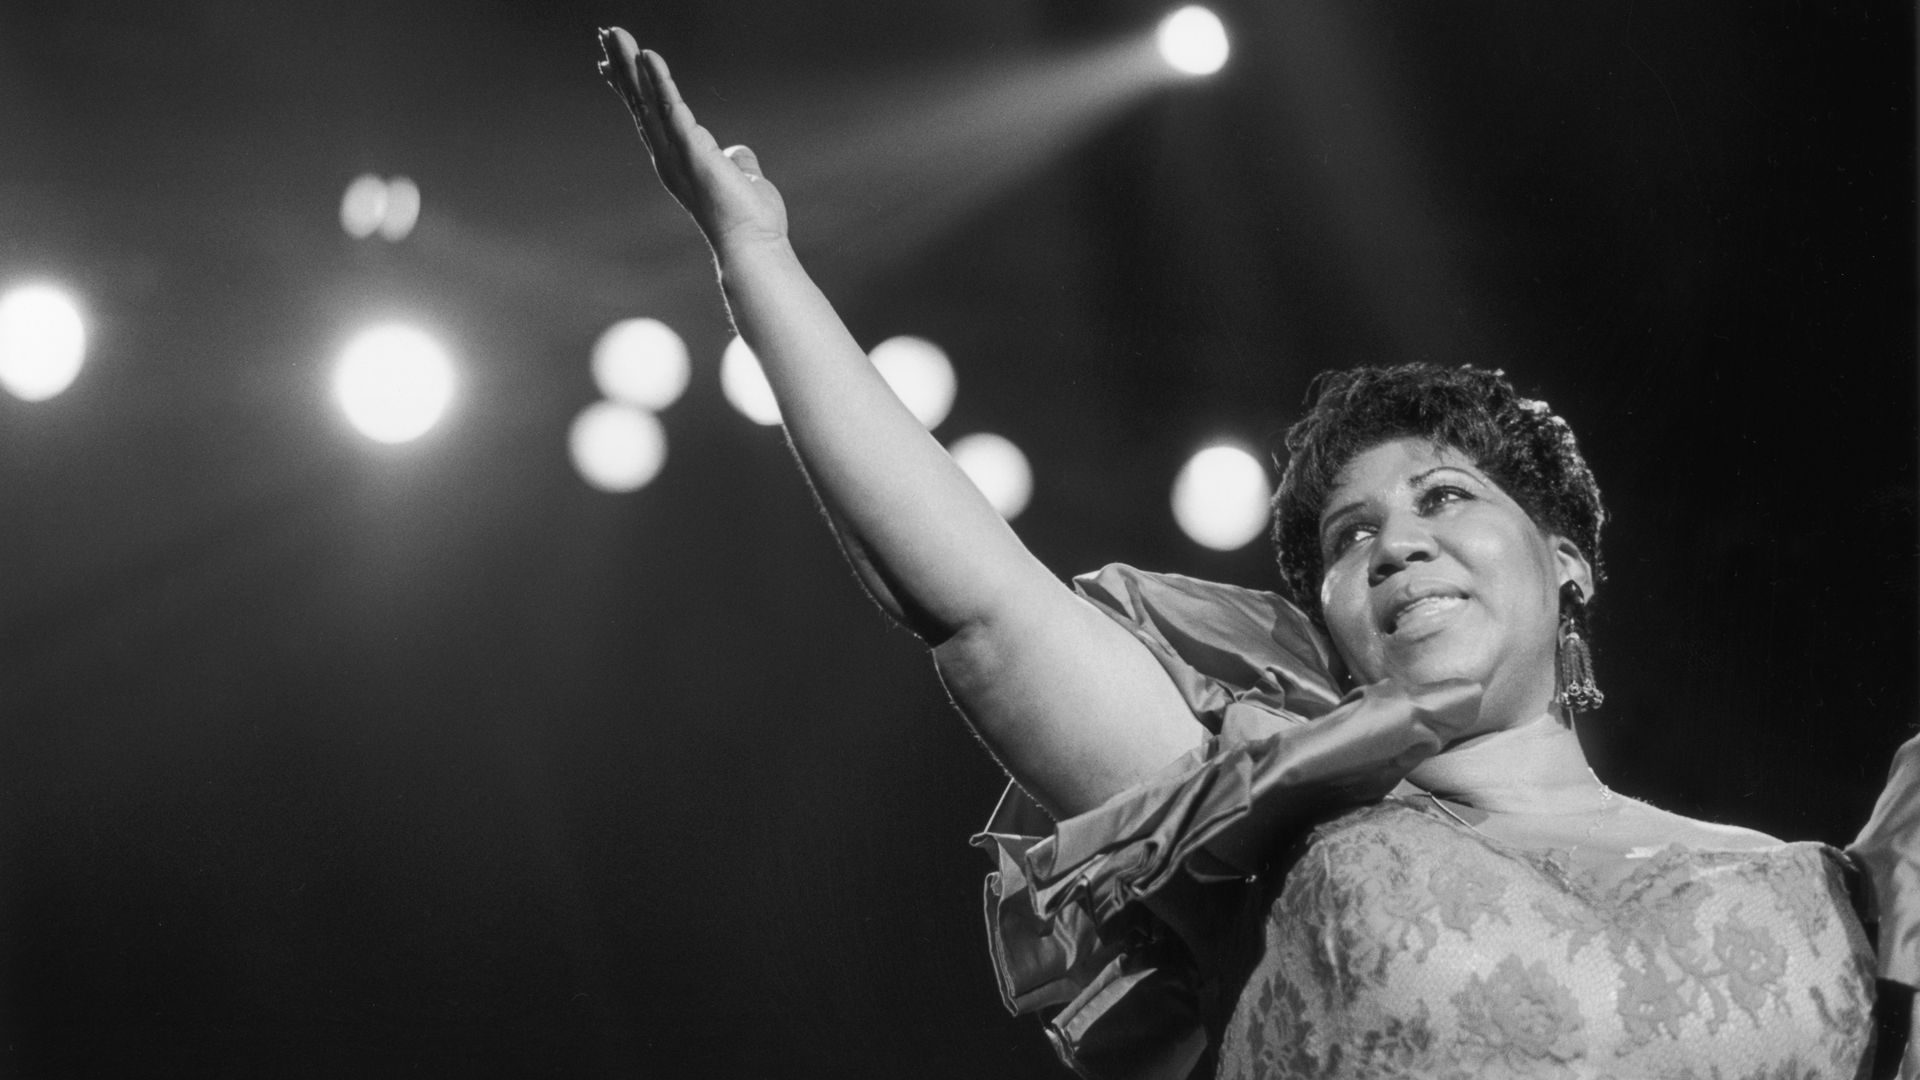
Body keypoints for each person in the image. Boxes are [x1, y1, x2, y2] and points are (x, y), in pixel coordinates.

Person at [595, 29, 1918, 1079]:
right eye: (1352, 538)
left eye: (1446, 498)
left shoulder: (1828, 894)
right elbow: (979, 608)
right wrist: (756, 263)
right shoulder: (1276, 834)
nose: (1399, 543)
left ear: (1566, 559)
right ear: (1329, 621)